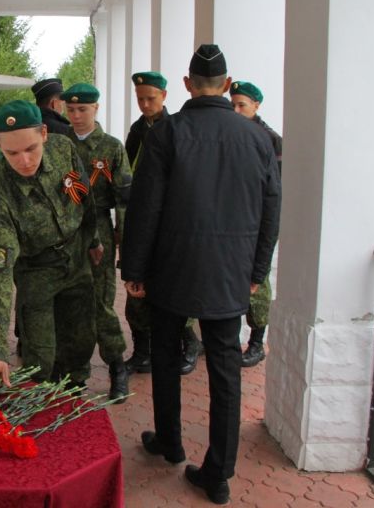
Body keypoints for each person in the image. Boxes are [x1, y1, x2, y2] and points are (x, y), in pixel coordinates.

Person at [121, 45, 281, 505]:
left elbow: (146, 207)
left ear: (188, 85)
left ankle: (170, 442)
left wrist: (135, 268)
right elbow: (272, 210)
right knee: (226, 370)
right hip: (231, 274)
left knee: (167, 357)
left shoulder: (168, 133)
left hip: (173, 268)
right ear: (228, 86)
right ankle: (219, 473)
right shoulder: (256, 139)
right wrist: (257, 270)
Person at [0, 100, 103, 388]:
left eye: (31, 148)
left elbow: (83, 194)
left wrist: (92, 237)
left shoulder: (63, 150)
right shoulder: (0, 194)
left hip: (75, 259)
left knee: (81, 342)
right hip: (36, 272)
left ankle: (75, 396)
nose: (24, 161)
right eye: (12, 153)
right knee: (41, 357)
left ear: (44, 133)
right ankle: (42, 402)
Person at [123, 71, 203, 376]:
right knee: (136, 296)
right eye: (140, 98)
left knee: (175, 291)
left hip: (171, 224)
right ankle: (143, 351)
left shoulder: (177, 129)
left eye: (151, 98)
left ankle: (189, 344)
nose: (145, 104)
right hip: (142, 220)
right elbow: (128, 173)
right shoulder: (137, 130)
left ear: (165, 96)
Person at [61, 82, 132, 402]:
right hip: (66, 232)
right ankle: (76, 373)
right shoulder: (58, 145)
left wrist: (124, 237)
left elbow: (125, 198)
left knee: (102, 303)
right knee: (71, 304)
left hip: (100, 230)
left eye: (82, 110)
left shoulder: (112, 147)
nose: (76, 116)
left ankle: (117, 367)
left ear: (95, 109)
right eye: (71, 110)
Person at [229, 81, 283, 368]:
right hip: (233, 219)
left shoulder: (270, 140)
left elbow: (276, 189)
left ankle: (257, 342)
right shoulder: (229, 133)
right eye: (233, 104)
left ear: (256, 106)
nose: (236, 110)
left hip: (258, 221)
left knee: (257, 283)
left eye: (242, 105)